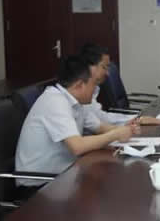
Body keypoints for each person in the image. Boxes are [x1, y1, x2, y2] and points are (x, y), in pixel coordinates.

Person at [15, 55, 136, 187]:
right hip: (39, 183)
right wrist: (115, 134)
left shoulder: (77, 102)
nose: (95, 91)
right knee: (107, 186)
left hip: (65, 173)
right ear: (79, 85)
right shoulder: (55, 101)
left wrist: (127, 129)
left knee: (109, 180)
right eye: (93, 85)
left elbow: (99, 127)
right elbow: (77, 146)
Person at [81, 43, 160, 126]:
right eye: (104, 67)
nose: (107, 73)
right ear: (90, 67)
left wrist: (137, 119)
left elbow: (101, 117)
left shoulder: (94, 89)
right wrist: (137, 120)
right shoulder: (81, 94)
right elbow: (100, 121)